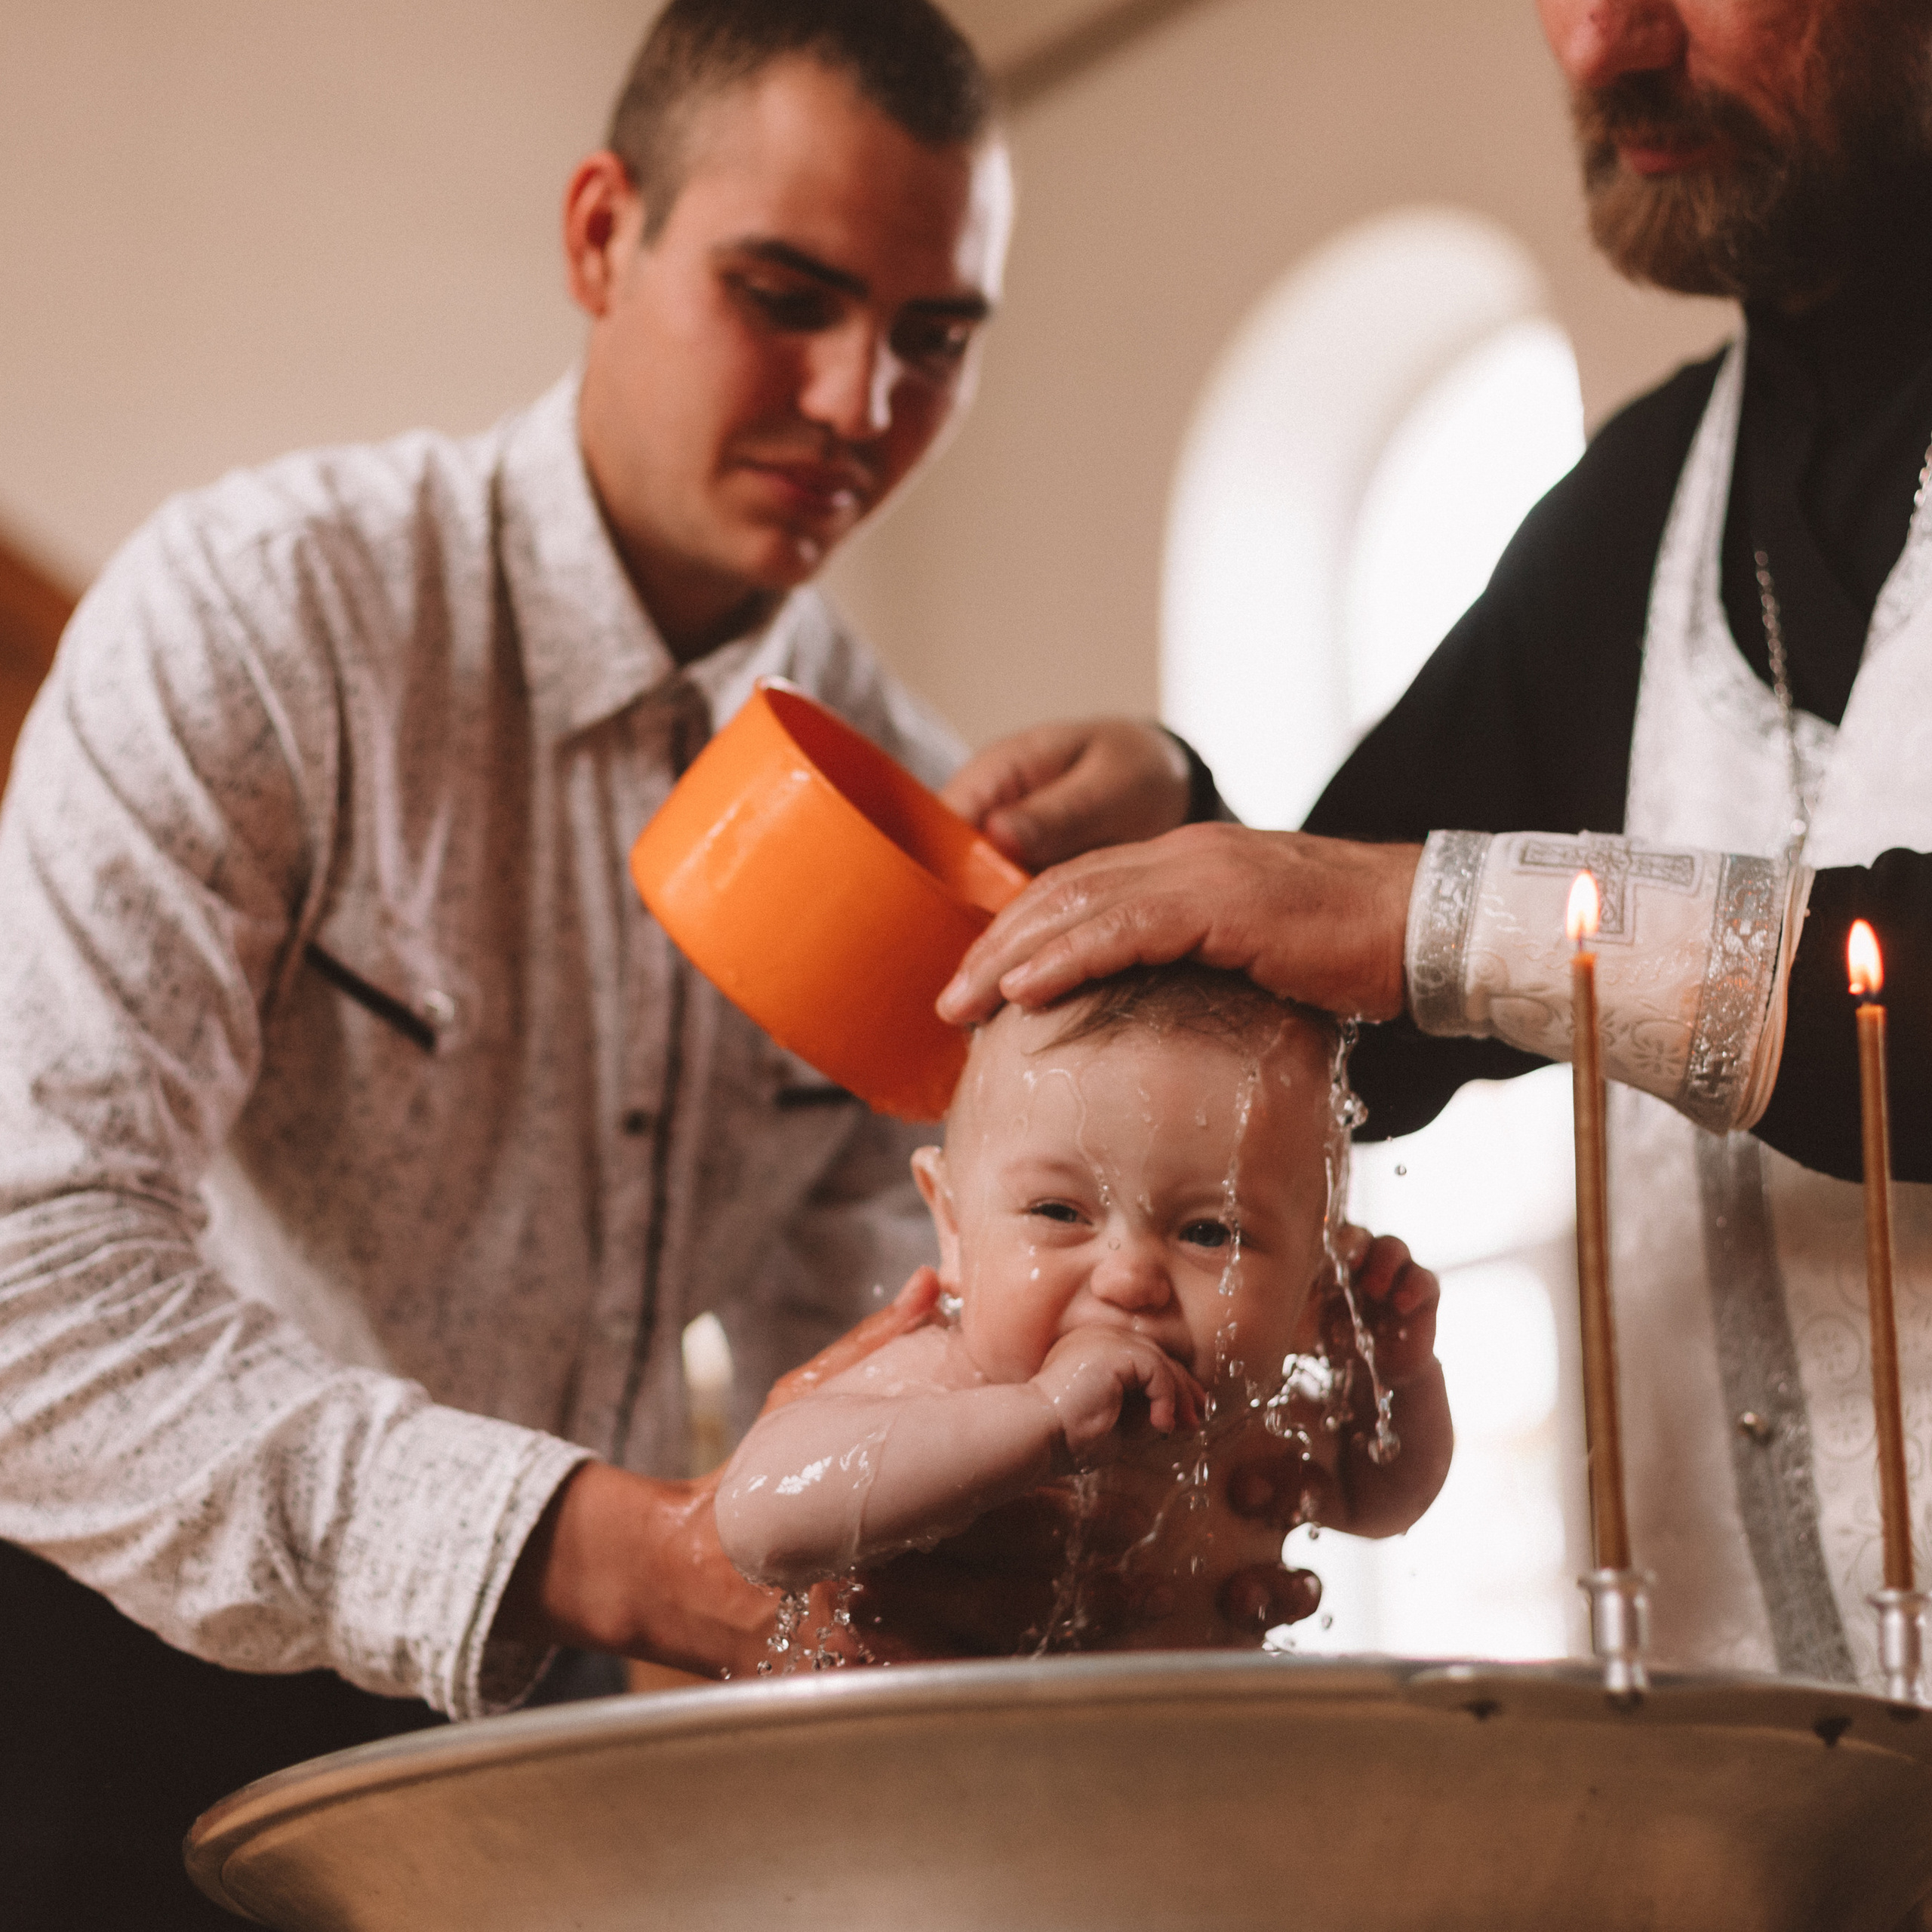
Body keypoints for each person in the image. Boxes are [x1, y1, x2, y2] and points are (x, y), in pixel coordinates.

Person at [0, 5, 1438, 1924]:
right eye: (787, 295)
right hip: (93, 1681)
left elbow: (864, 1314)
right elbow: (36, 1281)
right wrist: (604, 1550)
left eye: (933, 338)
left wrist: (1076, 1539)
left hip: (539, 1724)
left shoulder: (925, 800)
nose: (859, 402)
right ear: (601, 234)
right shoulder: (258, 625)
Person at [943, 0, 1932, 1694]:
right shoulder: (1634, 509)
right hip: (1752, 1799)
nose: (1596, 46)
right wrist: (1175, 836)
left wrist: (1405, 911)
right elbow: (1343, 1021)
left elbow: (1397, 921)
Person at [714, 964, 1448, 1641]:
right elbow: (759, 1520)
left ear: (1311, 1290)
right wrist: (1039, 1418)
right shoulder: (947, 1381)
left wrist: (1396, 1381)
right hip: (955, 1780)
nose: (1129, 1278)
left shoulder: (1251, 1422)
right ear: (954, 1227)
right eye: (1058, 1212)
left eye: (1208, 1230)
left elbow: (1383, 1495)